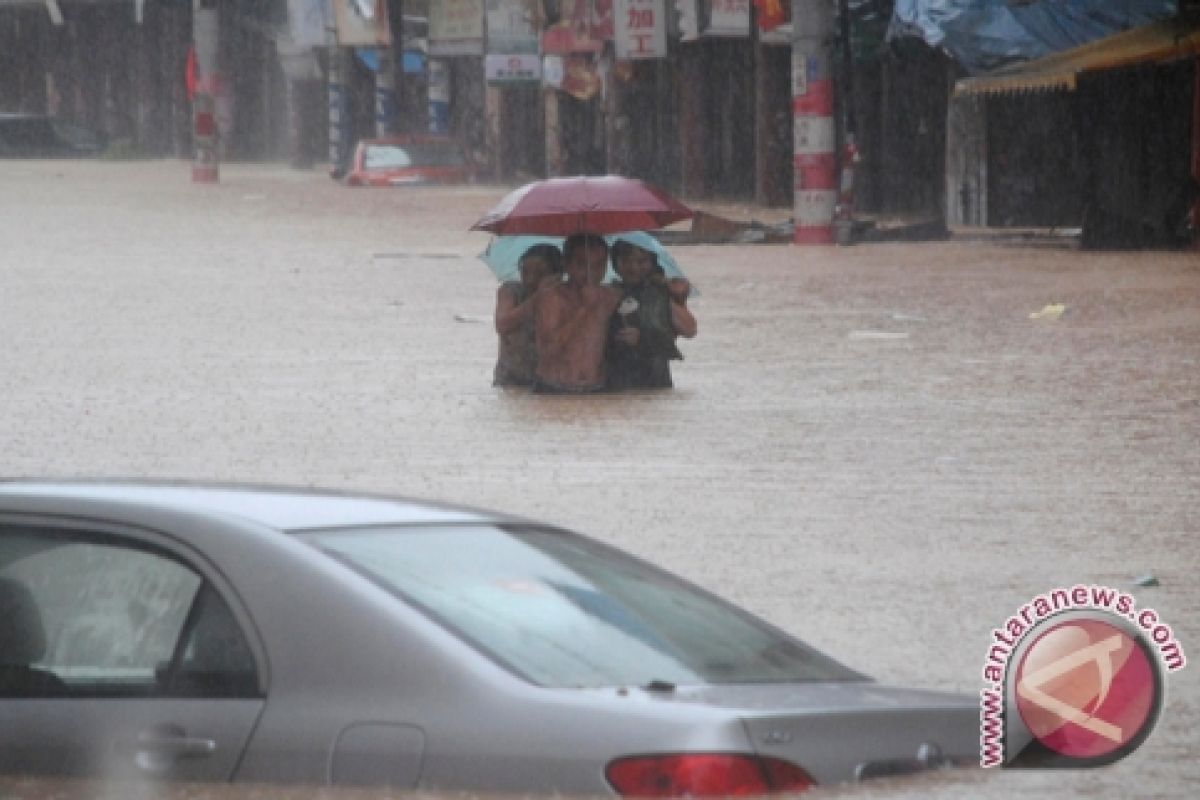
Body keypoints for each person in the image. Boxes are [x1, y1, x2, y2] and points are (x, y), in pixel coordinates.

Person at [532, 234, 622, 393]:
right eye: (582, 264)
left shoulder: (610, 297)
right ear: (566, 264)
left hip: (597, 388)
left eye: (599, 265)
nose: (591, 272)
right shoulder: (552, 298)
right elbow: (548, 350)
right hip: (554, 388)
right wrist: (584, 310)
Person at [606, 239, 697, 390]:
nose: (634, 267)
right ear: (615, 264)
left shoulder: (663, 293)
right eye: (626, 260)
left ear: (652, 263)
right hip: (616, 381)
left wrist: (676, 299)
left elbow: (689, 330)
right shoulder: (607, 294)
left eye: (641, 261)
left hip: (654, 381)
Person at [493, 244, 563, 387]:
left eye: (540, 273)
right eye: (525, 272)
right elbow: (502, 325)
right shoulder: (511, 291)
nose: (530, 279)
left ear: (557, 276)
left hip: (548, 384)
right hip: (510, 382)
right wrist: (537, 298)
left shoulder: (564, 298)